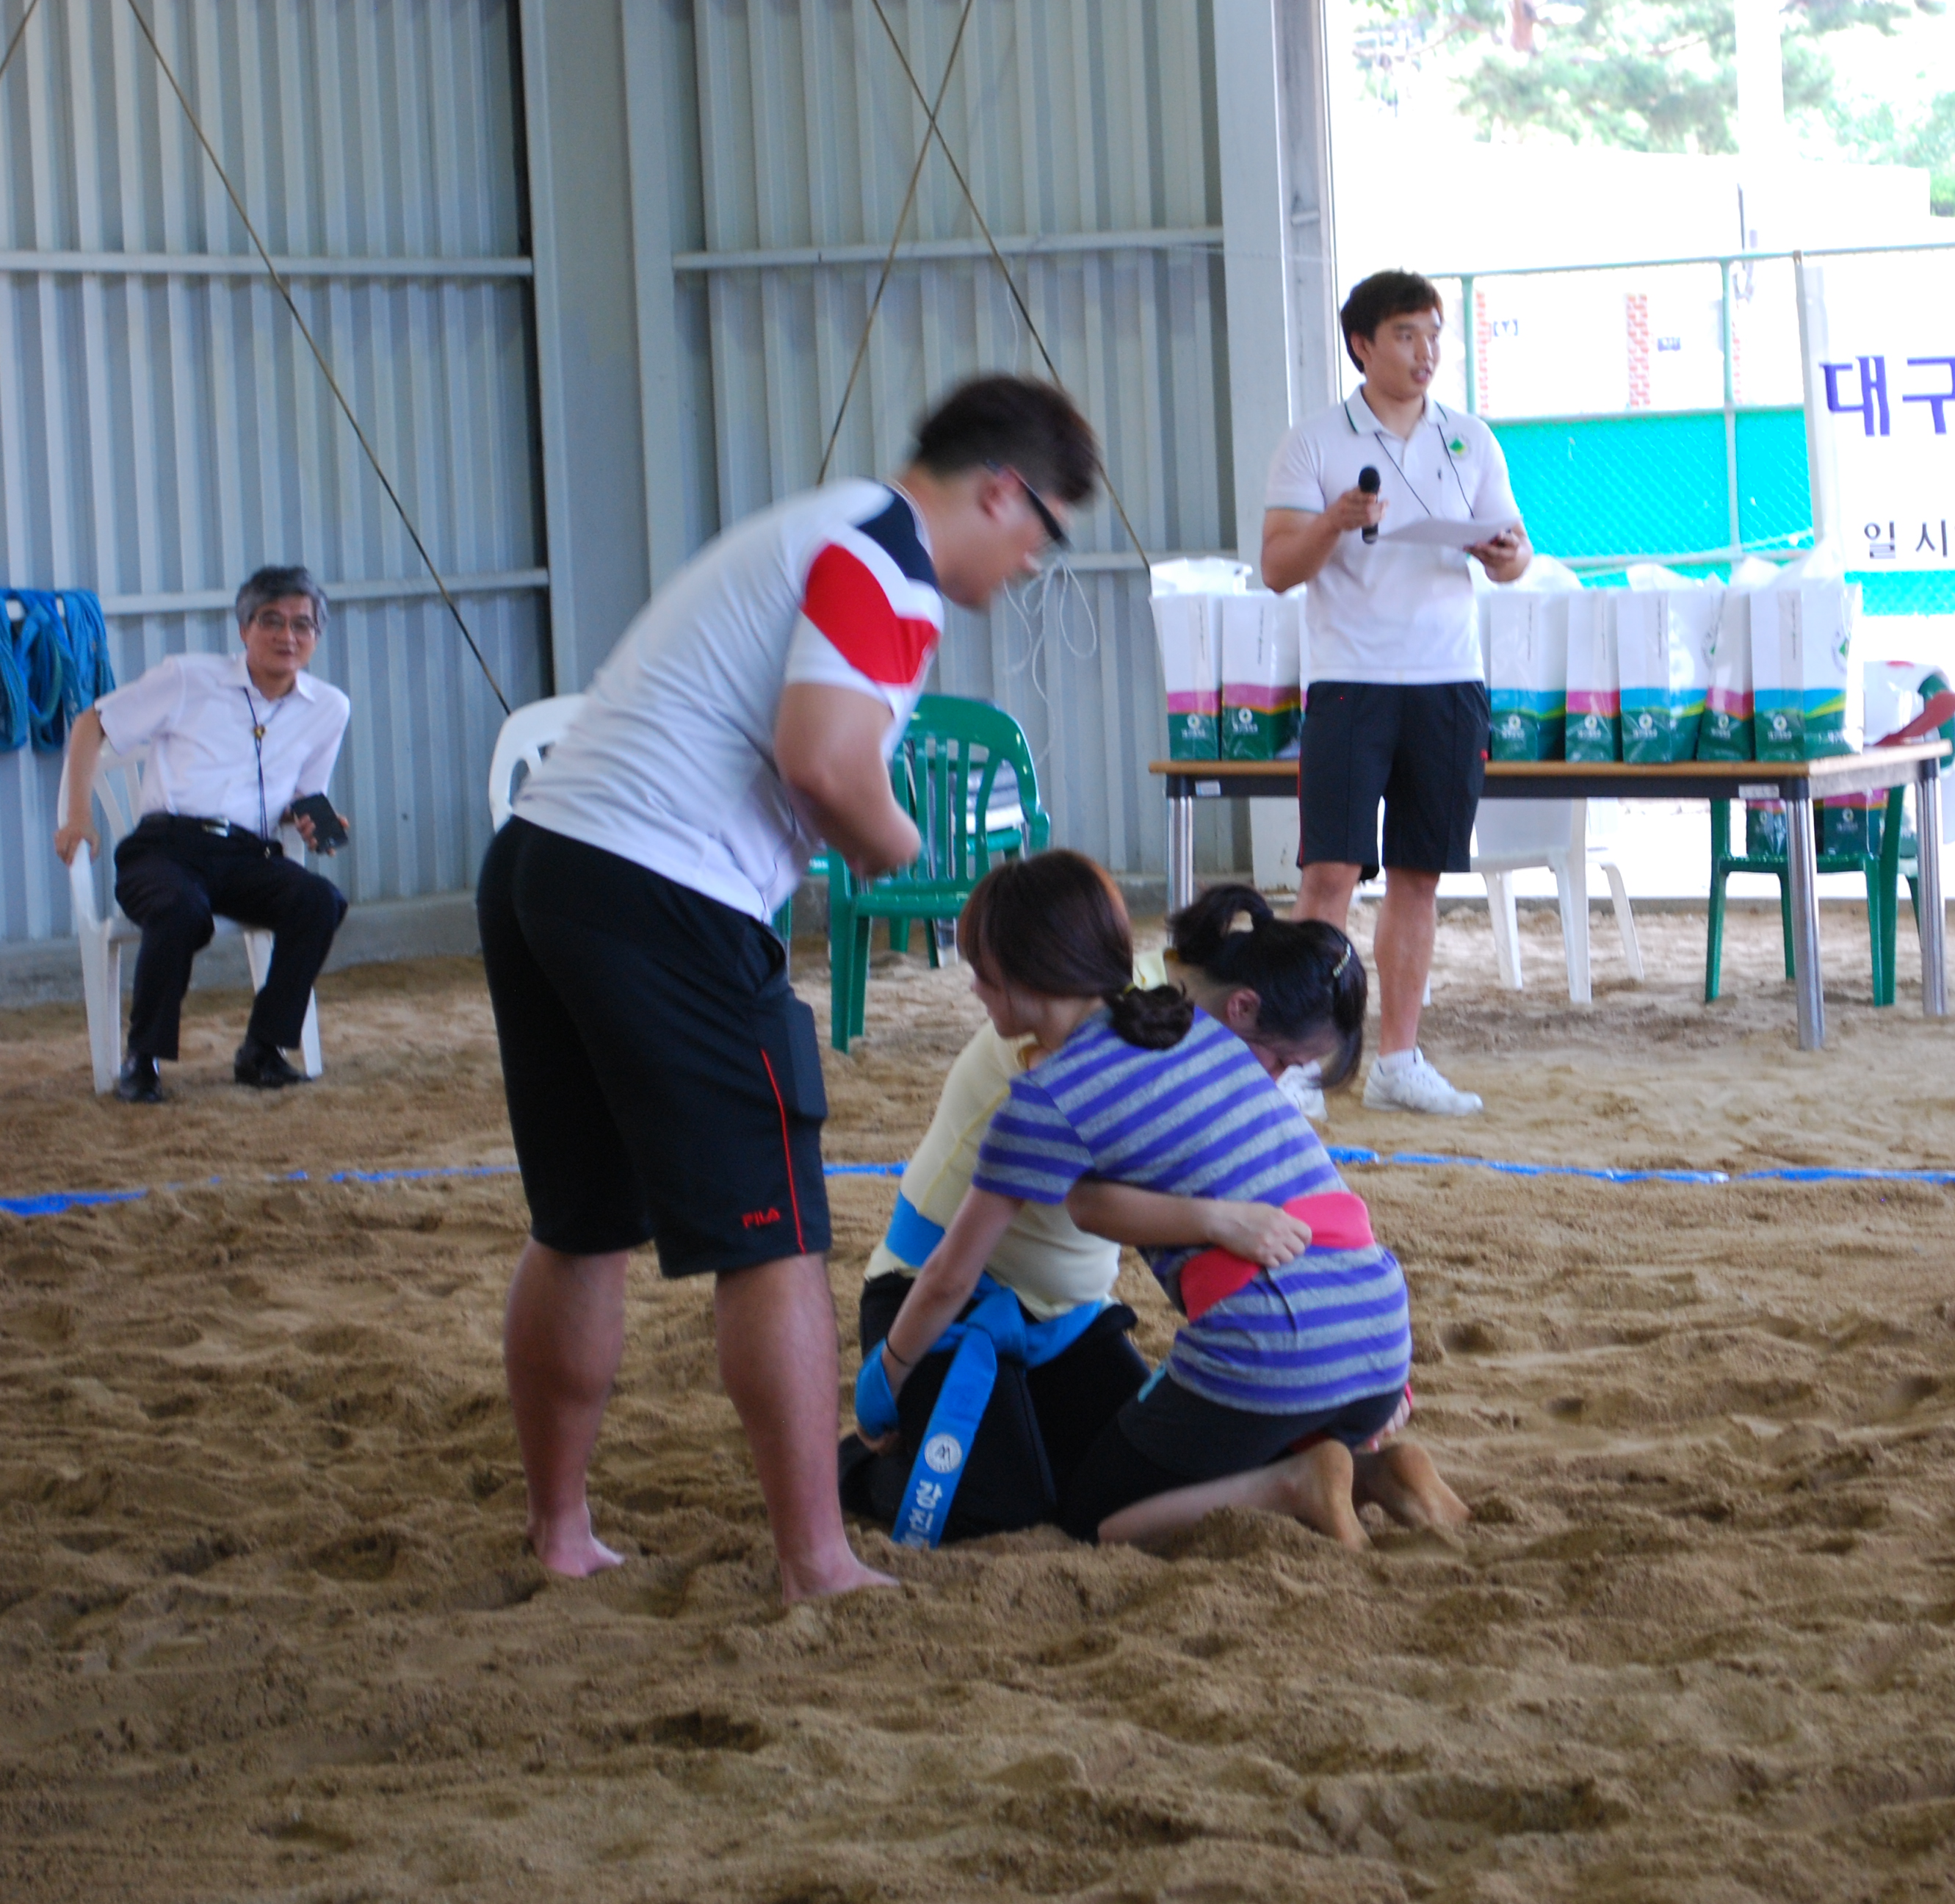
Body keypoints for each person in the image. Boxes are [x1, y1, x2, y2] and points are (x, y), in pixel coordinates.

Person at [477, 374, 1098, 1604]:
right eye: (1046, 530)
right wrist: (901, 851)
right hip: (665, 889)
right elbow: (823, 758)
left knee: (581, 1221)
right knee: (776, 1234)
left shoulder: (820, 526)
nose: (1034, 561)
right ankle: (817, 1561)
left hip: (543, 862)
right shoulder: (888, 558)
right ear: (1001, 492)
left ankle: (561, 1531)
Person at [857, 852, 1466, 1549]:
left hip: (1267, 1346)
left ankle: (1295, 1485)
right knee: (1170, 1452)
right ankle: (1373, 1473)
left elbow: (948, 1277)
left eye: (981, 974)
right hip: (1381, 1338)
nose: (974, 990)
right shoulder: (1202, 1031)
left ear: (1023, 974)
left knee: (1094, 1517)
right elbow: (1089, 1205)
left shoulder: (1045, 1098)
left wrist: (882, 1383)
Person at [1261, 269, 1531, 1119]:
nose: (1426, 352)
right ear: (1361, 344)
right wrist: (1332, 522)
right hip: (1349, 681)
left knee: (1419, 876)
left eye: (1434, 334)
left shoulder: (1469, 438)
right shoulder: (1312, 442)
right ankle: (1299, 1063)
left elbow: (1516, 555)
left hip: (1448, 681)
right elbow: (1276, 569)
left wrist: (1504, 556)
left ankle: (1398, 1062)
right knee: (1328, 874)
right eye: (1407, 334)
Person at [51, 566, 352, 1103]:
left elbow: (302, 796)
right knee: (180, 909)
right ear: (244, 629)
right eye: (271, 621)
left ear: (316, 636)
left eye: (302, 625)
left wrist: (309, 820)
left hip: (247, 854)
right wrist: (77, 817)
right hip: (166, 849)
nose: (287, 636)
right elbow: (90, 723)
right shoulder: (190, 678)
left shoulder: (329, 707)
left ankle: (262, 1049)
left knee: (320, 901)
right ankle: (142, 1060)